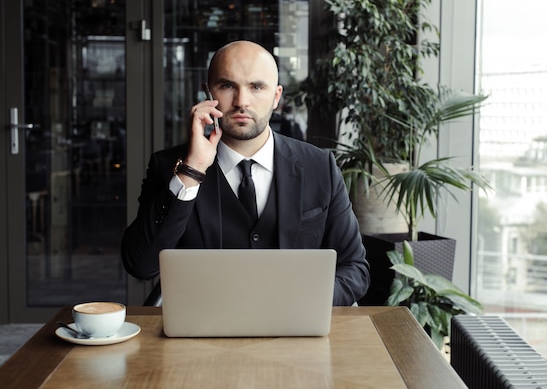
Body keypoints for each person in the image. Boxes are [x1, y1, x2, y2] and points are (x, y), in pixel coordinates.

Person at [121, 40, 370, 306]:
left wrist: (302, 302)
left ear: (276, 97)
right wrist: (191, 171)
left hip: (294, 332)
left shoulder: (319, 166)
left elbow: (355, 269)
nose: (242, 101)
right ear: (208, 93)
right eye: (227, 86)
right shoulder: (170, 165)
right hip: (200, 334)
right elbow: (141, 265)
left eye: (257, 87)